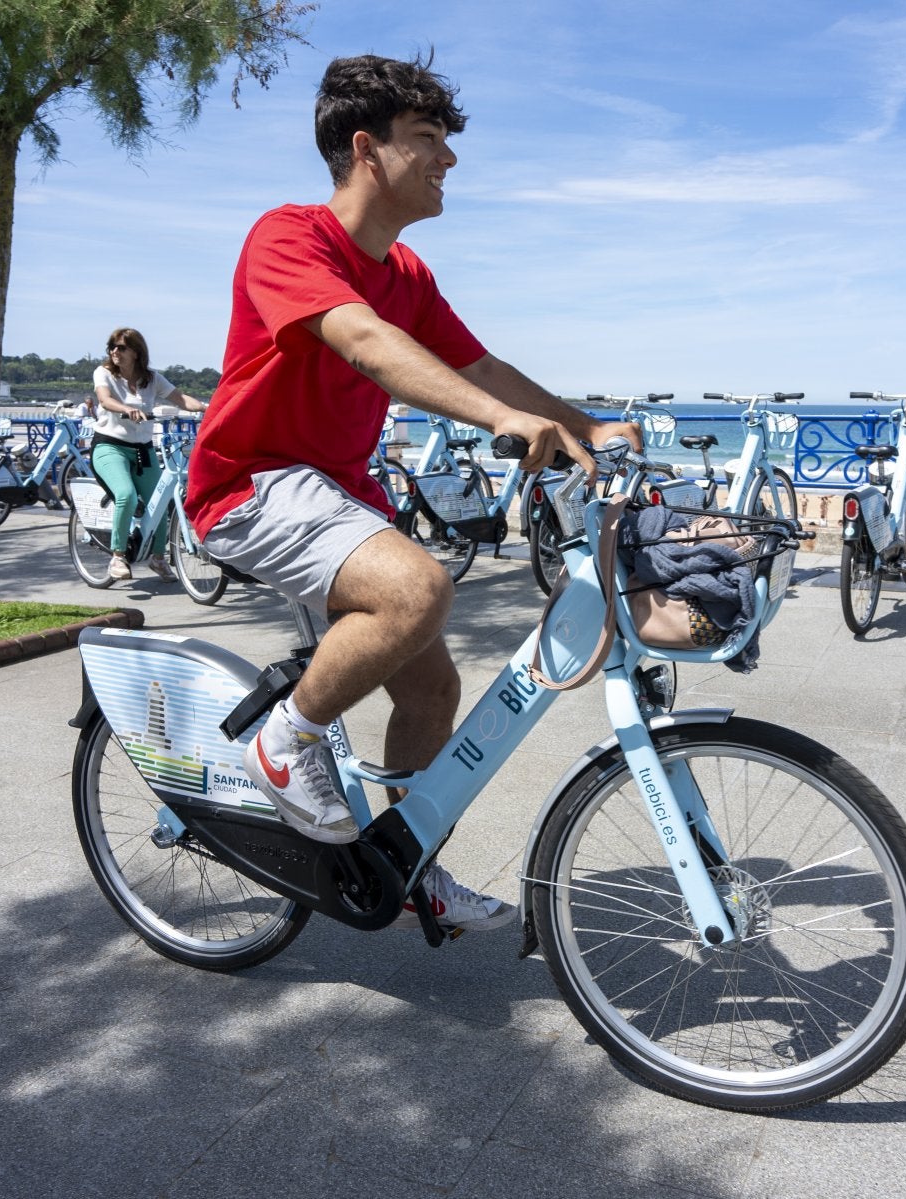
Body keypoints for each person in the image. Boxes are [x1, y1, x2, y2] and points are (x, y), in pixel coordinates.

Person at [184, 52, 638, 933]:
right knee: (417, 588)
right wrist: (498, 418)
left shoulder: (410, 274)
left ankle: (407, 859)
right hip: (250, 486)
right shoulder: (289, 236)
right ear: (368, 150)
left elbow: (479, 363)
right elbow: (360, 339)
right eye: (427, 139)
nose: (449, 159)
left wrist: (586, 427)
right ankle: (283, 745)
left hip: (336, 493)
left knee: (432, 688)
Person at [90, 327, 206, 580]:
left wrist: (208, 409)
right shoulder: (104, 373)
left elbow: (181, 399)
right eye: (112, 347)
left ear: (136, 351)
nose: (114, 352)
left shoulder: (151, 379)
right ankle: (118, 557)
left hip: (143, 450)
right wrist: (126, 409)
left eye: (121, 347)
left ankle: (158, 558)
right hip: (110, 446)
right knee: (126, 496)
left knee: (161, 501)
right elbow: (105, 400)